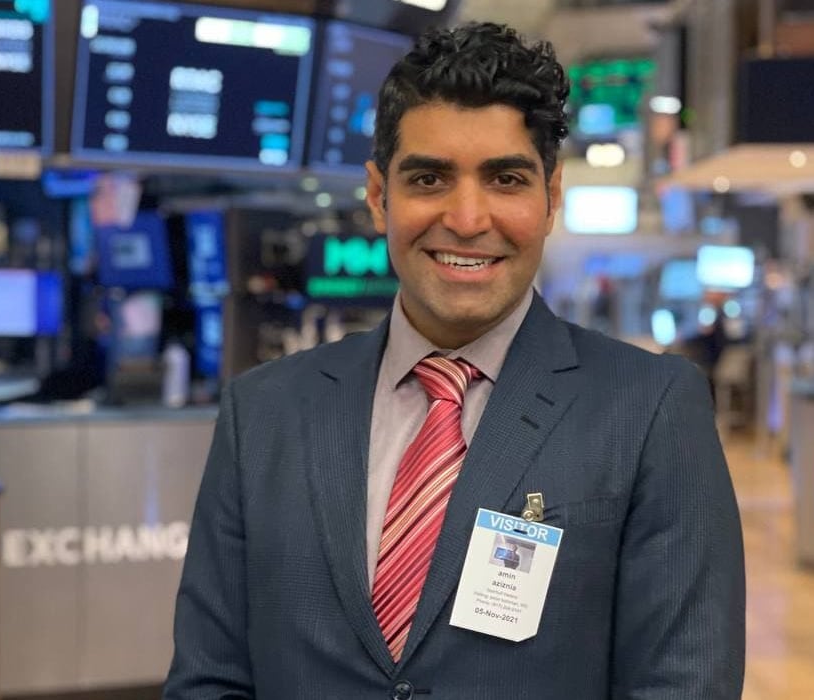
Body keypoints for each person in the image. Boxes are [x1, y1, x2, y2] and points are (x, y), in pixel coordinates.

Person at [164, 21, 745, 699]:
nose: (468, 219)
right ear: (380, 197)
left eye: (504, 179)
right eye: (430, 178)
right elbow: (208, 678)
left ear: (550, 197)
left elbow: (683, 683)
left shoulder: (649, 408)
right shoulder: (260, 412)